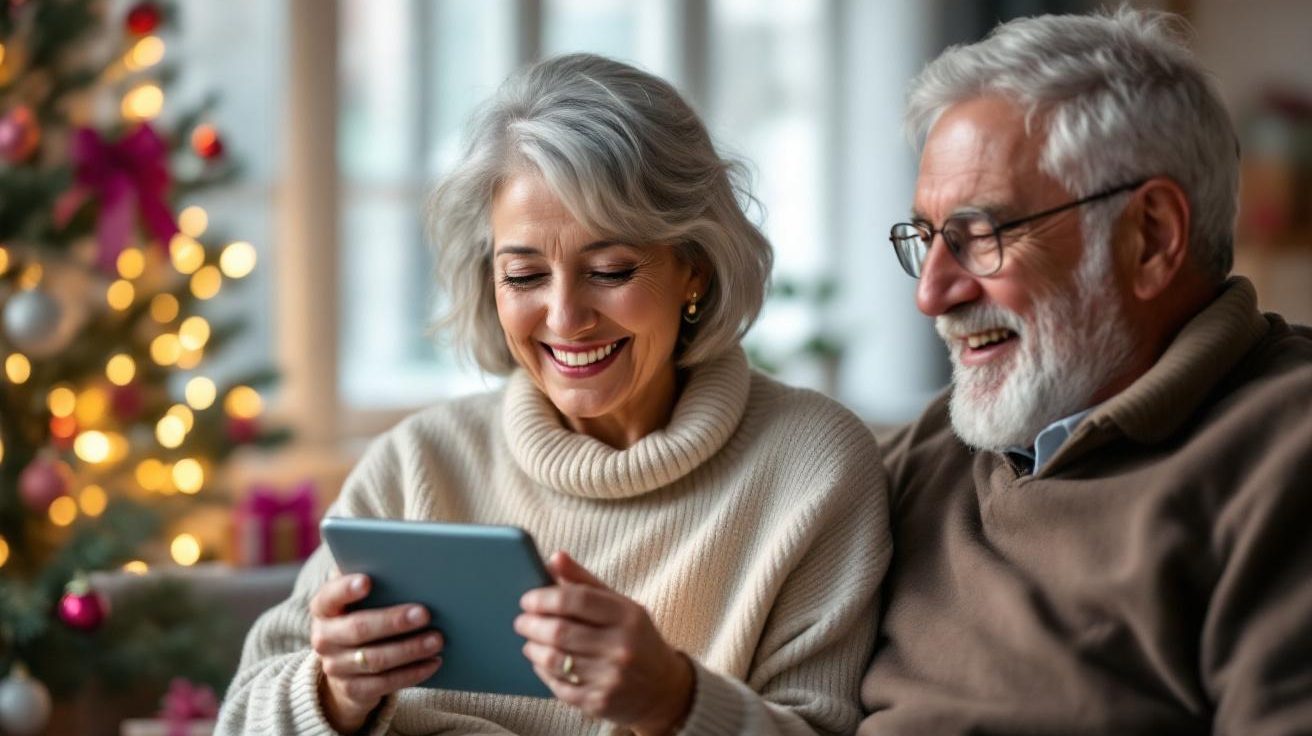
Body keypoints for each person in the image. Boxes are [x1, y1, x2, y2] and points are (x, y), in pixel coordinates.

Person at [218, 53, 889, 735]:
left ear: (695, 268)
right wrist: (334, 695)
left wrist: (673, 700)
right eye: (524, 276)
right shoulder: (419, 464)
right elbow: (239, 717)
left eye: (610, 270)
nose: (566, 318)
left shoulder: (812, 467)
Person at [859, 8, 1312, 735]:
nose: (931, 294)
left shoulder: (1284, 454)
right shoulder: (932, 452)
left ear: (1150, 237)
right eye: (927, 238)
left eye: (981, 235)